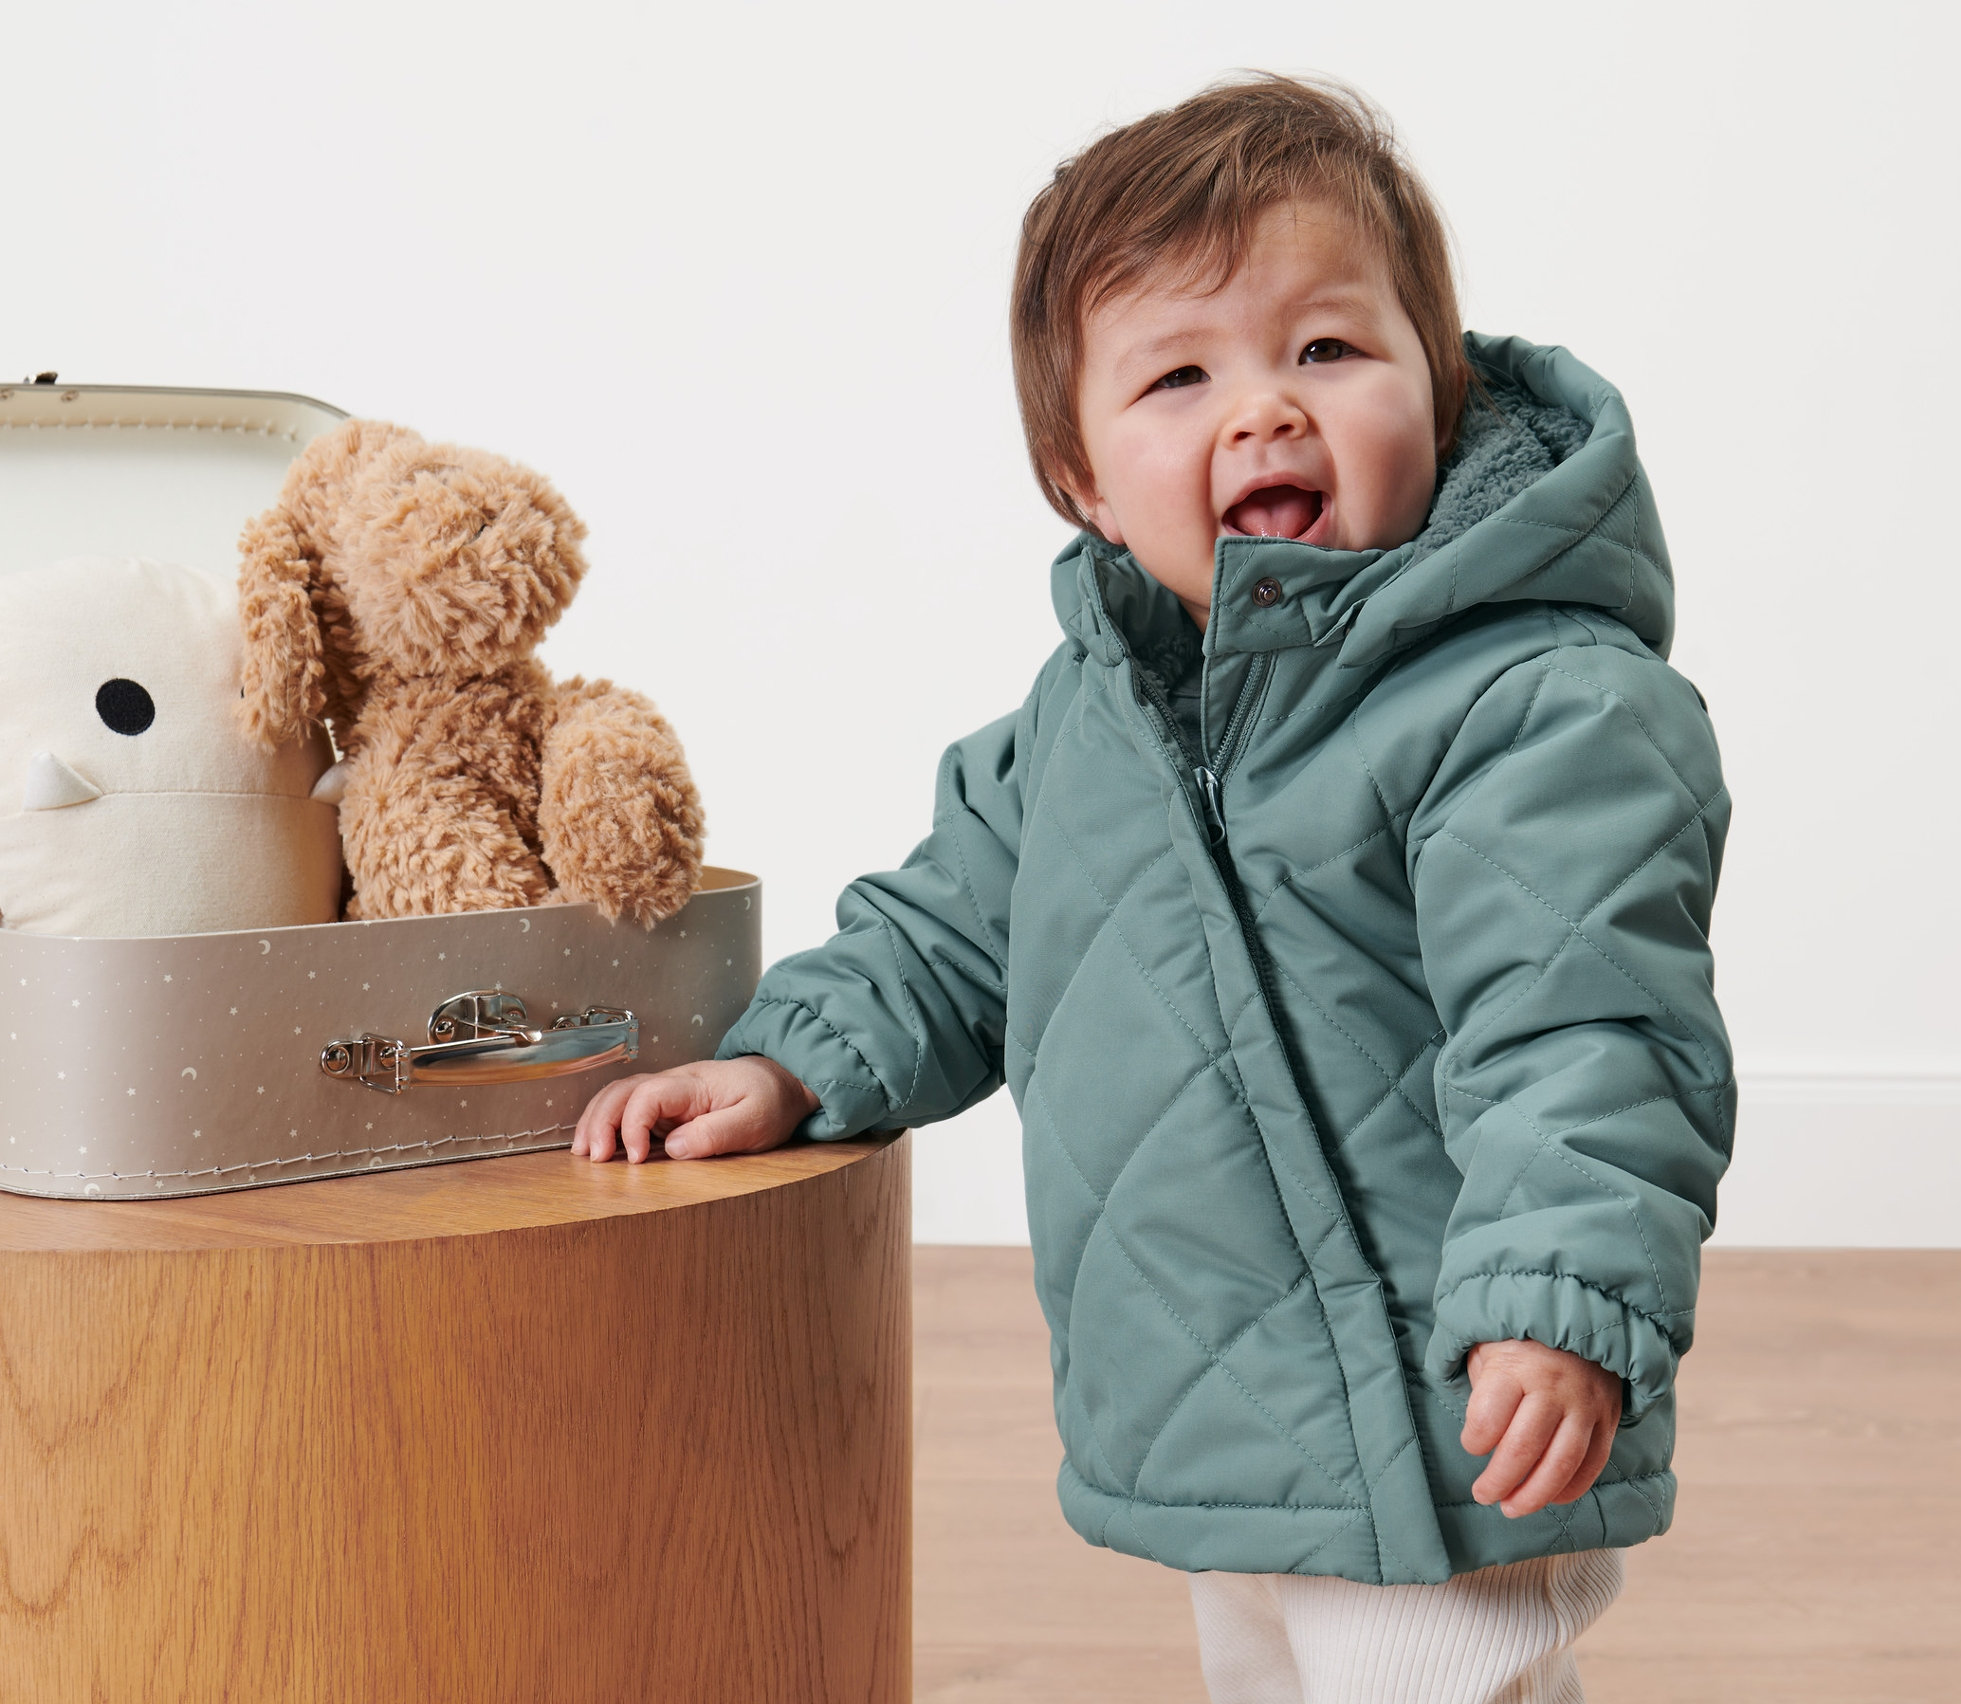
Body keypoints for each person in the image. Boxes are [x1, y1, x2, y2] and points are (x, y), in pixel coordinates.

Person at [575, 73, 1731, 1704]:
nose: (1264, 410)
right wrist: (788, 1059)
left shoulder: (1535, 707)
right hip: (1229, 1412)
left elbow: (1588, 1033)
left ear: (1442, 387)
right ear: (1084, 481)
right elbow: (947, 925)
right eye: (1181, 375)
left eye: (1327, 349)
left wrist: (1556, 1302)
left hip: (1450, 1417)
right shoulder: (1094, 715)